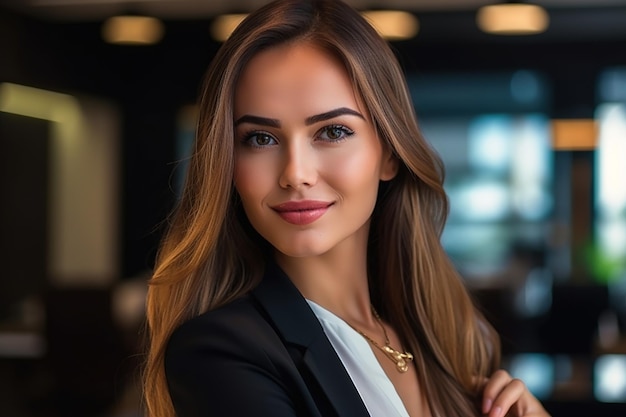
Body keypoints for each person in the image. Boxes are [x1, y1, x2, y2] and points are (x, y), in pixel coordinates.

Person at [143, 1, 551, 416]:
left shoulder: (449, 339)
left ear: (389, 153)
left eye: (332, 131)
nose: (296, 174)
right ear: (228, 164)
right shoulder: (220, 353)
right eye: (260, 138)